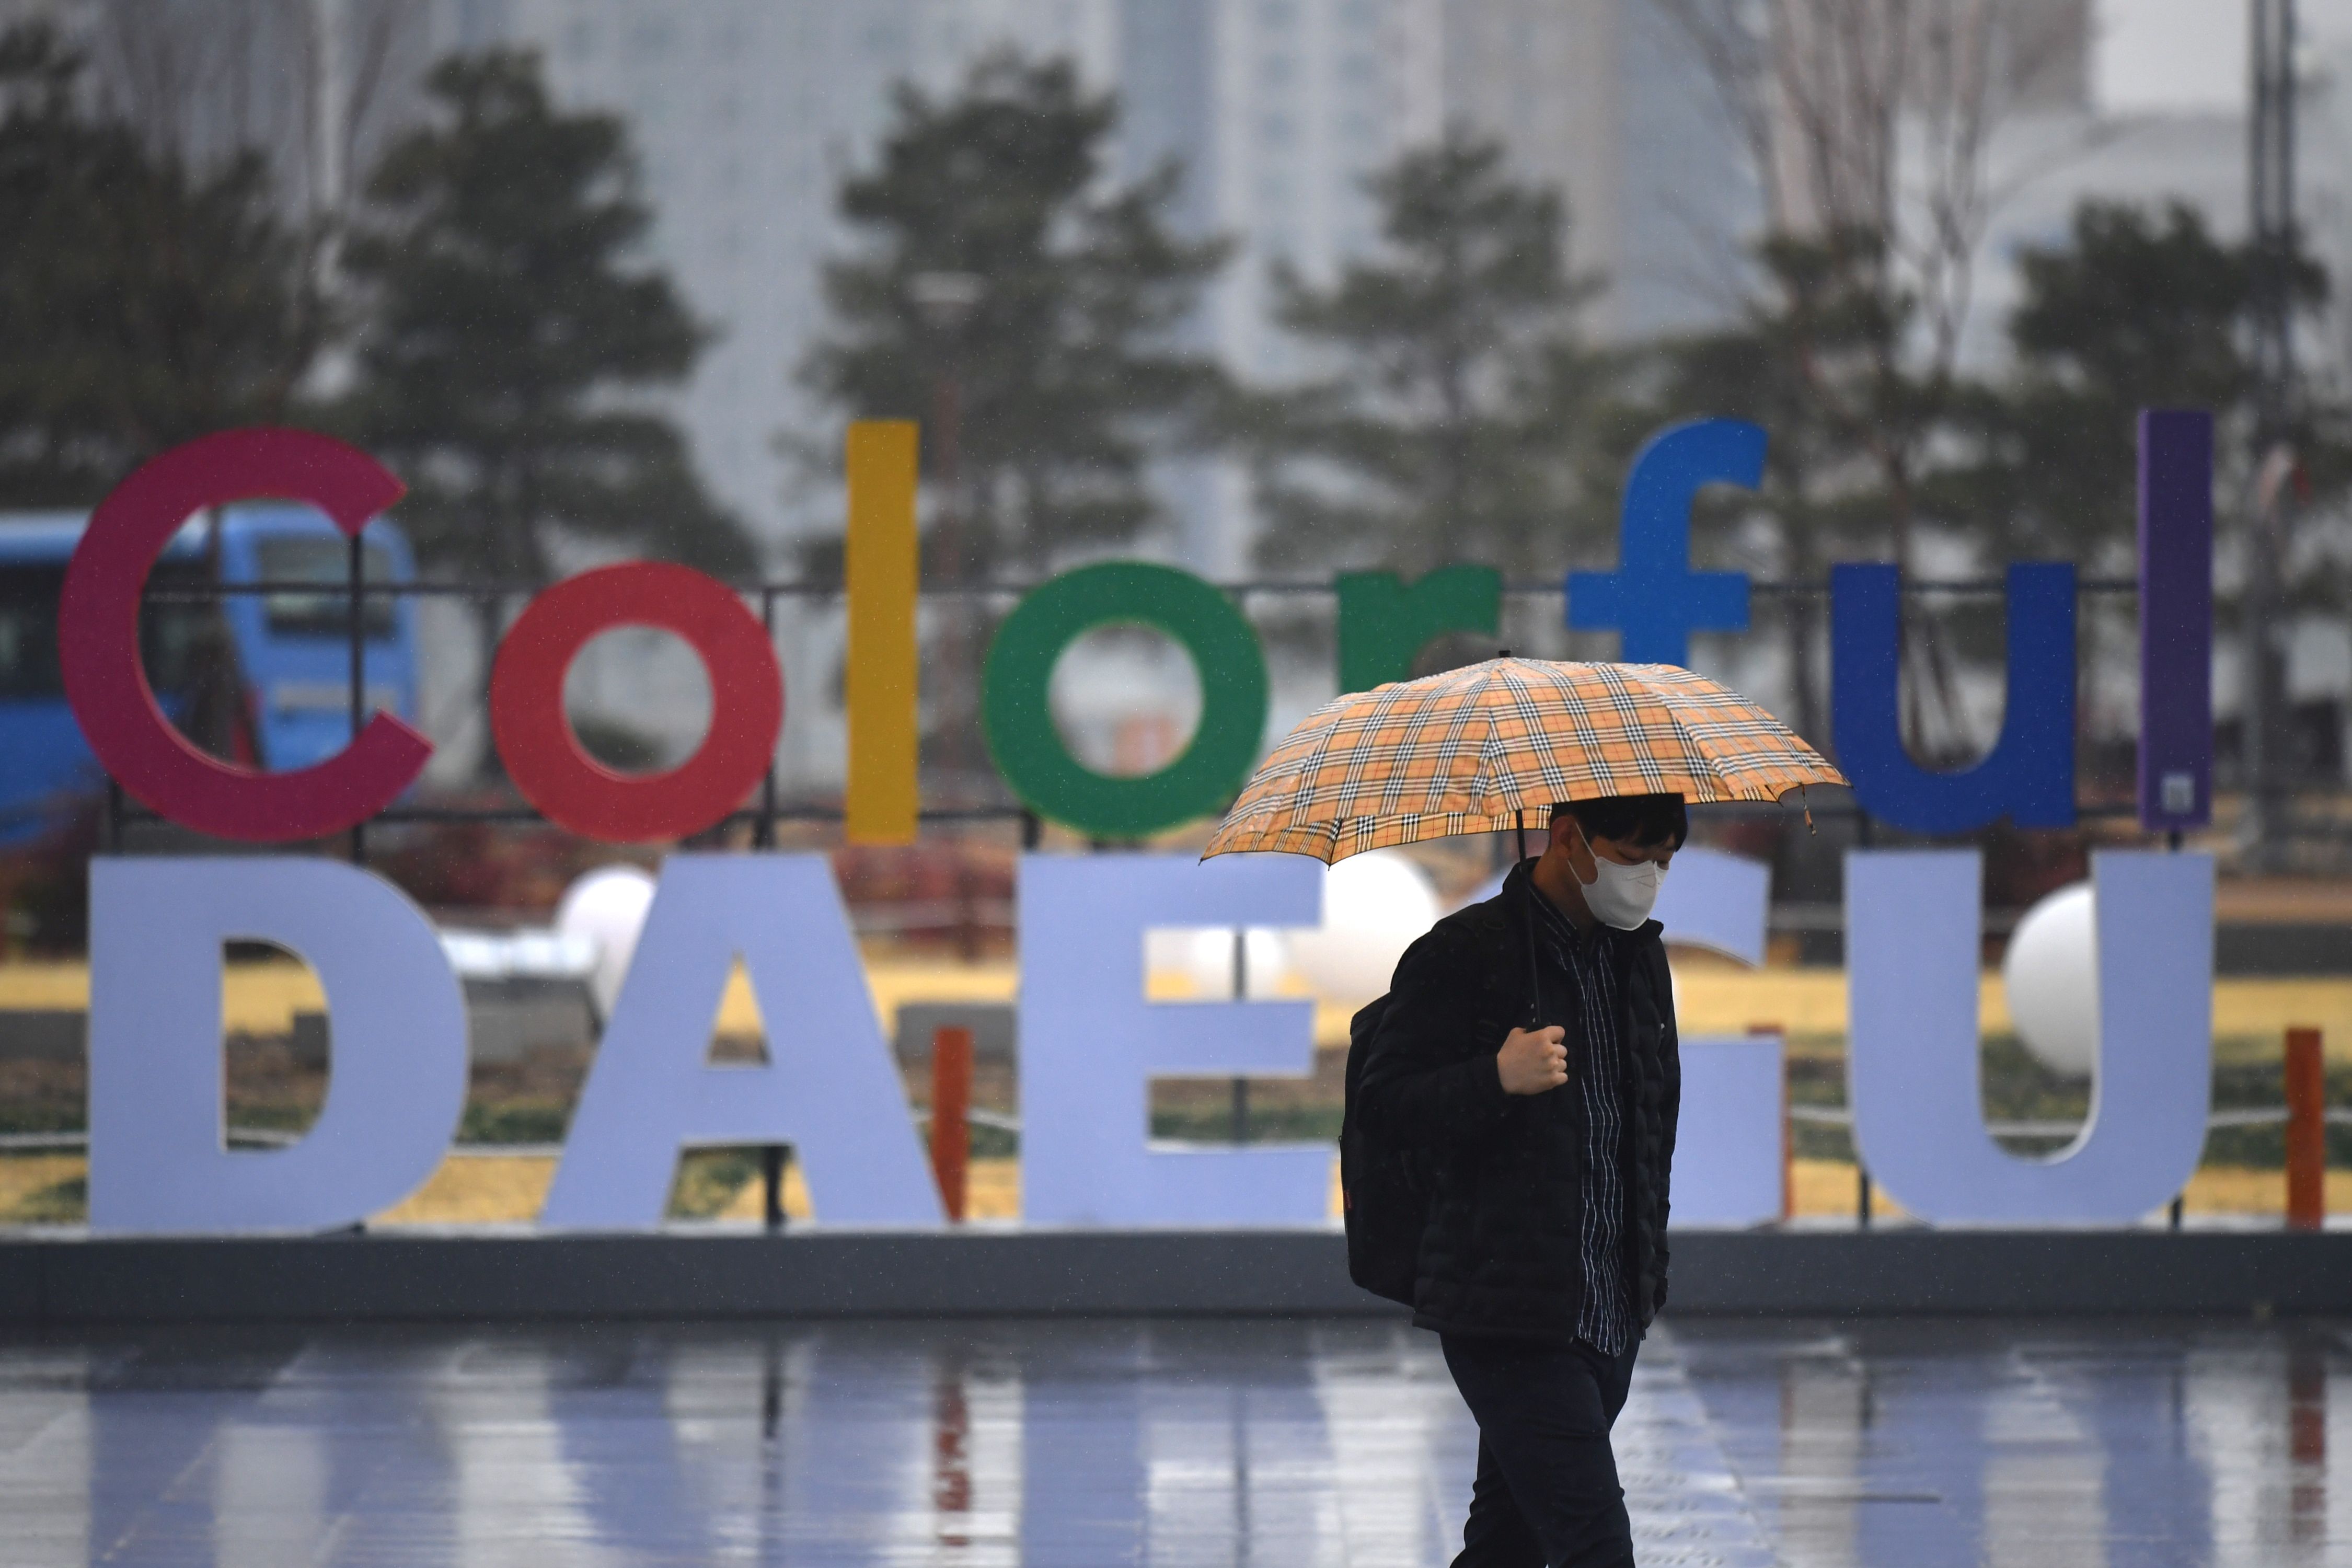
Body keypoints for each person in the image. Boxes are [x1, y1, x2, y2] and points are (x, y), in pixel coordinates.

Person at [1355, 792, 1686, 1568]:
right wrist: (1494, 1078)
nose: (1650, 879)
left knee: (1508, 1544)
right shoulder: (1465, 952)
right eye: (1634, 857)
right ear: (1568, 840)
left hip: (1612, 1307)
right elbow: (1383, 1107)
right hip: (1505, 1309)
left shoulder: (1640, 955)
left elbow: (1650, 1118)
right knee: (1594, 1545)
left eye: (1666, 861)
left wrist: (1644, 1273)